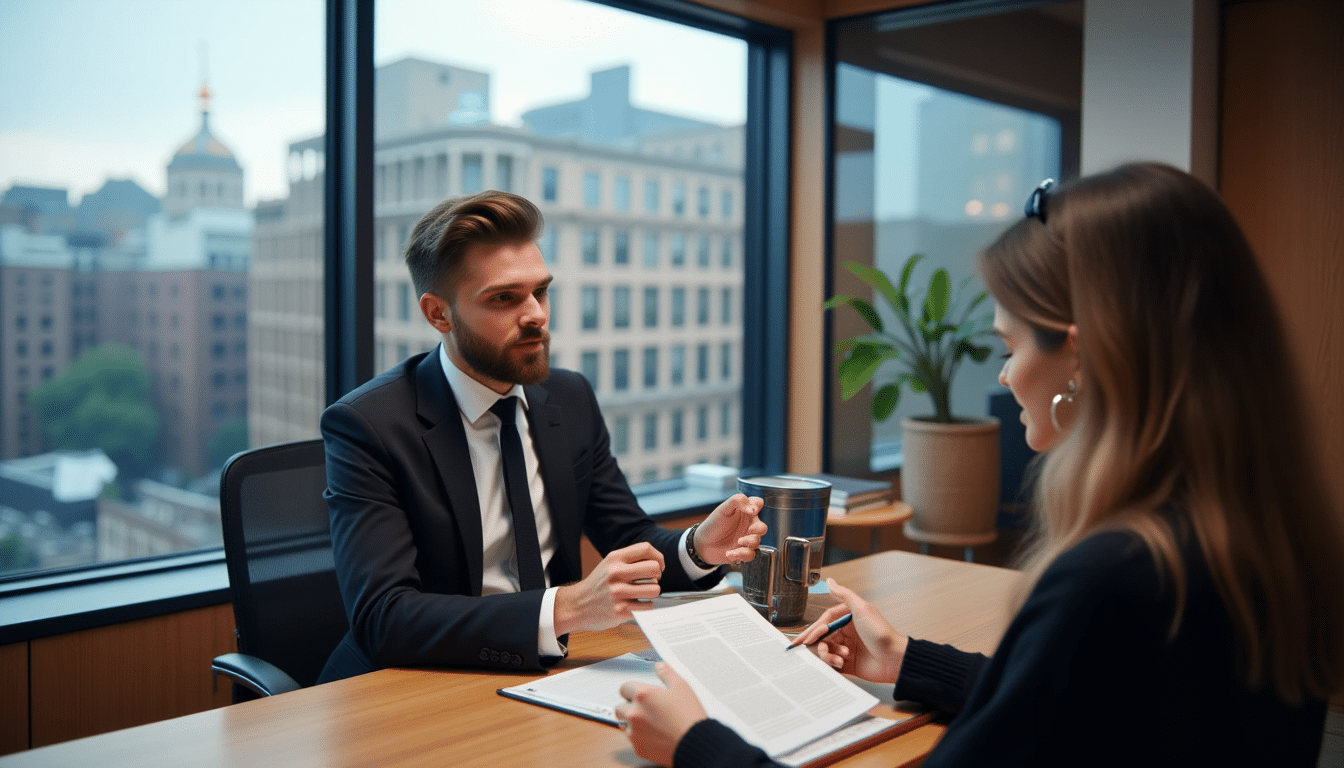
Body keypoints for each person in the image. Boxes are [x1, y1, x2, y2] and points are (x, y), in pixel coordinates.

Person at [615, 163, 1344, 767]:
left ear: (1084, 356)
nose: (1004, 378)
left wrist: (697, 743)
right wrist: (909, 660)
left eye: (1009, 348)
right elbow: (1091, 709)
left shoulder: (1114, 575)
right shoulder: (1260, 542)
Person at [318, 190, 766, 683]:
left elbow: (628, 536)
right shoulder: (369, 425)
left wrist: (700, 547)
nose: (535, 315)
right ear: (438, 315)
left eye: (540, 291)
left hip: (551, 673)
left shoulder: (568, 398)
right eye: (504, 299)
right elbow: (385, 618)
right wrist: (567, 609)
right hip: (410, 686)